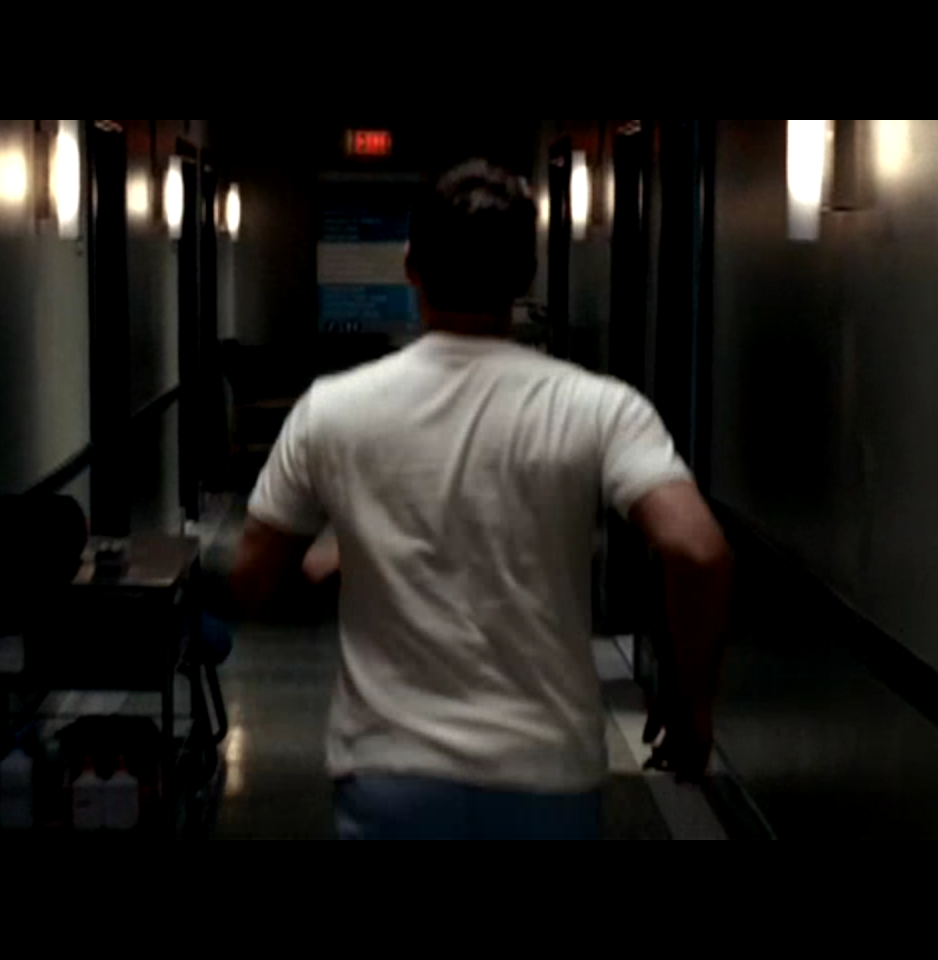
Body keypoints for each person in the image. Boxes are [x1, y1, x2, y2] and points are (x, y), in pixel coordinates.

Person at [231, 159, 732, 839]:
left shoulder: (334, 409)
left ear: (411, 268)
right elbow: (697, 552)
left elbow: (253, 581)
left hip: (390, 774)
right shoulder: (600, 407)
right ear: (527, 276)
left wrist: (339, 558)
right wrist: (691, 700)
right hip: (545, 775)